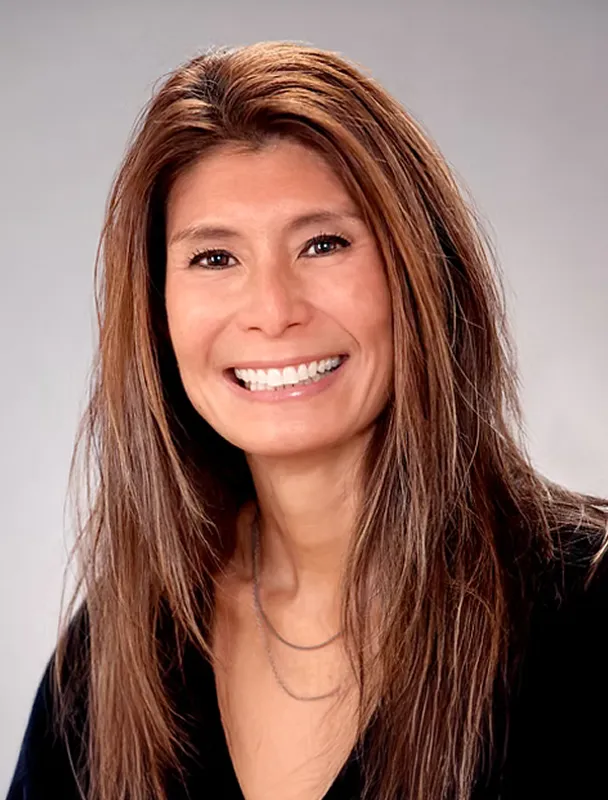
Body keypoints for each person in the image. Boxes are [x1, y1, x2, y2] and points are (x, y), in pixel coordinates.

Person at [7, 41, 608, 800]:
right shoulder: (115, 652)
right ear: (156, 310)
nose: (273, 311)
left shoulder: (586, 606)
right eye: (214, 258)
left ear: (421, 271)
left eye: (323, 244)